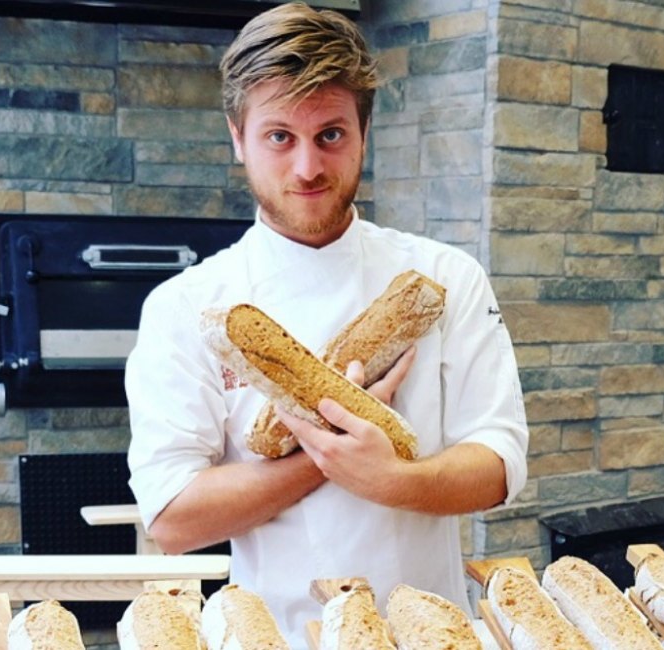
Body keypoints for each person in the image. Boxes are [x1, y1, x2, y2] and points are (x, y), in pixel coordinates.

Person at [124, 2, 529, 646]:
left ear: (364, 132)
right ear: (238, 137)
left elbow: (500, 463)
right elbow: (173, 518)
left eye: (331, 135)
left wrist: (392, 479)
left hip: (426, 632)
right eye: (279, 136)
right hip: (274, 636)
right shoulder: (187, 306)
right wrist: (332, 455)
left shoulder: (445, 279)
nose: (307, 167)